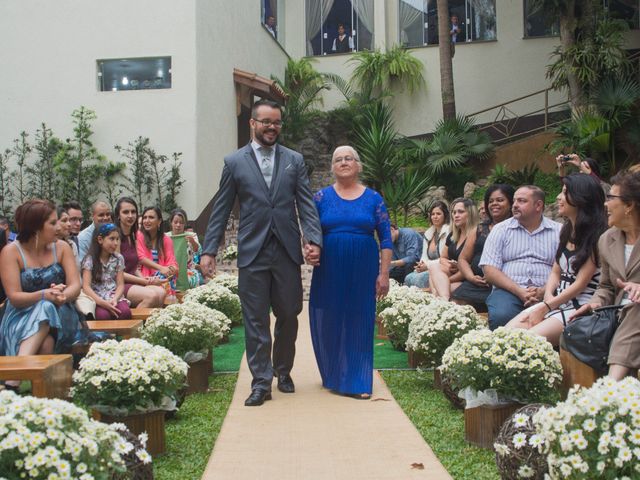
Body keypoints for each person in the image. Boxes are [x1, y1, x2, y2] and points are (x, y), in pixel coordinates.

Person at [201, 99, 322, 407]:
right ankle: (261, 382)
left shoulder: (294, 160)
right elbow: (221, 209)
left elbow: (306, 204)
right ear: (252, 124)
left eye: (277, 122)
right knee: (255, 319)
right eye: (266, 121)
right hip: (252, 251)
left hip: (286, 250)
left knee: (289, 313)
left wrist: (313, 239)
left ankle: (283, 371)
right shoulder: (234, 162)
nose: (272, 127)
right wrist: (209, 250)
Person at [309, 145, 391, 400]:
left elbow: (386, 239)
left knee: (360, 318)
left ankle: (357, 381)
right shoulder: (320, 198)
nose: (344, 162)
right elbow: (311, 233)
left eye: (349, 158)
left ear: (358, 165)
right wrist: (309, 248)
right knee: (329, 317)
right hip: (329, 268)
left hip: (363, 267)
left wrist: (384, 273)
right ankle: (333, 374)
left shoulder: (374, 199)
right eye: (338, 159)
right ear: (332, 167)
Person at [506, 175, 606, 346]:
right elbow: (555, 271)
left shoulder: (596, 235)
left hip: (580, 305)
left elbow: (580, 284)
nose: (559, 197)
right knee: (505, 334)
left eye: (565, 192)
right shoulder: (566, 229)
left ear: (581, 198)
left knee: (522, 343)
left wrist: (547, 306)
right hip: (557, 300)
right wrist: (547, 297)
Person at [0, 200, 81, 379]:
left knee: (47, 307)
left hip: (62, 312)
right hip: (21, 315)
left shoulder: (62, 247)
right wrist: (44, 295)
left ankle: (15, 377)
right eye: (52, 223)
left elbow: (75, 285)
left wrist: (61, 296)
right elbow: (14, 297)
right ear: (36, 227)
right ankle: (43, 391)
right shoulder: (11, 252)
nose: (58, 227)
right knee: (46, 342)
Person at [572, 169, 640, 380]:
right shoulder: (607, 239)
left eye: (611, 198)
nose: (605, 204)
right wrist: (595, 303)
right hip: (620, 315)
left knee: (636, 306)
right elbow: (606, 287)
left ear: (629, 205)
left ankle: (610, 388)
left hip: (634, 312)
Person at [480, 186, 563, 330]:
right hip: (508, 291)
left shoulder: (559, 231)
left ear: (538, 205)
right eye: (514, 201)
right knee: (502, 315)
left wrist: (544, 291)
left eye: (521, 201)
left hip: (550, 292)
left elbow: (566, 268)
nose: (515, 205)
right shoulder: (501, 229)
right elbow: (489, 269)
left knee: (556, 318)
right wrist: (520, 291)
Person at [452, 184, 515, 309]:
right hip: (477, 283)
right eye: (490, 201)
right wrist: (471, 277)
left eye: (500, 200)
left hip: (504, 284)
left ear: (511, 203)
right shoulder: (479, 229)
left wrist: (494, 276)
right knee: (455, 303)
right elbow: (463, 259)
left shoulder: (517, 229)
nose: (494, 204)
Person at [113, 197, 165, 308]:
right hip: (118, 284)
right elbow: (118, 273)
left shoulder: (133, 235)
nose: (130, 216)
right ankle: (138, 324)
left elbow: (135, 268)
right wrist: (144, 282)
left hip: (132, 281)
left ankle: (151, 324)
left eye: (133, 212)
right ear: (118, 215)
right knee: (151, 296)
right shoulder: (115, 237)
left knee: (161, 293)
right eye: (126, 212)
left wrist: (145, 279)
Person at [427, 198, 479, 300]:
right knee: (434, 267)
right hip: (453, 273)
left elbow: (472, 267)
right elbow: (443, 257)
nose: (456, 215)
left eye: (461, 212)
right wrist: (450, 265)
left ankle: (440, 302)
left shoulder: (477, 235)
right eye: (454, 212)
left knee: (439, 287)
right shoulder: (453, 235)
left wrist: (445, 280)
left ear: (471, 214)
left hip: (468, 278)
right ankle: (442, 301)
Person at [81, 223, 131, 320]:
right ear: (100, 239)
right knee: (103, 316)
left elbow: (120, 284)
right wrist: (101, 302)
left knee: (125, 312)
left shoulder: (118, 258)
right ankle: (105, 335)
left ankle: (121, 335)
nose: (116, 243)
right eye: (112, 239)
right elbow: (86, 287)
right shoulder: (90, 259)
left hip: (113, 295)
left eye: (117, 239)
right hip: (97, 297)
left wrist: (115, 299)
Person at [404, 201, 450, 289]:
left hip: (441, 268)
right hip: (427, 268)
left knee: (419, 280)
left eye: (438, 214)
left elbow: (445, 258)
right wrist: (421, 265)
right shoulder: (429, 234)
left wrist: (427, 266)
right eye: (433, 214)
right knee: (408, 278)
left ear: (445, 215)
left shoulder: (448, 232)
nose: (435, 217)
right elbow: (424, 256)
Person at [136, 207, 178, 287]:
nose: (147, 220)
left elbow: (171, 261)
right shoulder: (138, 236)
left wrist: (170, 270)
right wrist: (161, 268)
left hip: (161, 278)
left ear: (159, 221)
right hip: (142, 278)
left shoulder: (166, 240)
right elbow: (140, 257)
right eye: (145, 218)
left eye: (151, 217)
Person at [166, 208, 203, 289]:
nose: (178, 225)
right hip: (170, 271)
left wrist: (192, 241)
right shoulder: (165, 237)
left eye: (181, 223)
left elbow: (198, 251)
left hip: (189, 272)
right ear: (171, 222)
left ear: (184, 224)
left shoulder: (191, 235)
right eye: (175, 222)